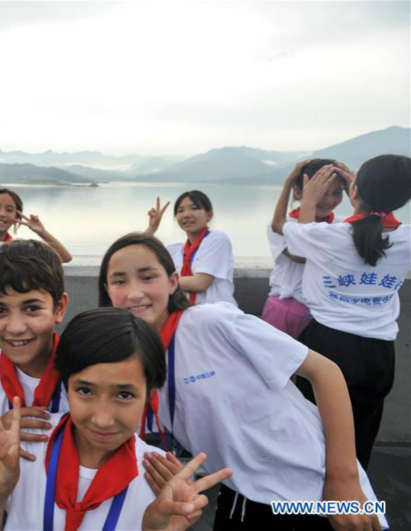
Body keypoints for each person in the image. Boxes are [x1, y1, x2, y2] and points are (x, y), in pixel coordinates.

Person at [99, 232, 386, 530]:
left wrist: (345, 480)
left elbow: (326, 372)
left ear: (173, 282)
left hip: (313, 485)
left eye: (147, 277)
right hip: (241, 491)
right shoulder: (134, 359)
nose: (134, 293)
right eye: (120, 281)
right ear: (108, 290)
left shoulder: (212, 322)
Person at [0, 307, 233, 531]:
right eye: (85, 391)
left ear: (149, 395)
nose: (102, 420)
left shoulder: (160, 481)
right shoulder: (27, 445)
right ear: (66, 387)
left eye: (124, 395)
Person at [273, 154, 411, 469]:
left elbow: (284, 228)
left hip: (328, 346)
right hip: (379, 355)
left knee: (312, 433)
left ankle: (308, 497)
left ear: (354, 191)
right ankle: (353, 496)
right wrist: (361, 194)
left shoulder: (326, 236)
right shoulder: (406, 238)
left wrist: (309, 198)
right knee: (360, 441)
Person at [0, 239, 70, 530]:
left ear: (59, 307)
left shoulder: (83, 374)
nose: (15, 327)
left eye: (31, 308)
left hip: (61, 504)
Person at [262, 159, 346, 338]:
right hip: (286, 310)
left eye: (337, 192)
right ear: (298, 192)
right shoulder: (284, 225)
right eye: (321, 193)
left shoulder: (341, 226)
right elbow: (302, 254)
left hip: (328, 312)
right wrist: (288, 183)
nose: (329, 200)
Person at [145, 192, 236, 305]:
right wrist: (151, 228)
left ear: (209, 215)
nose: (186, 215)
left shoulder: (217, 239)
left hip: (216, 312)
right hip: (184, 312)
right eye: (180, 211)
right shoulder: (174, 250)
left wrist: (157, 281)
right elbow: (135, 257)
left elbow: (200, 283)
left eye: (194, 208)